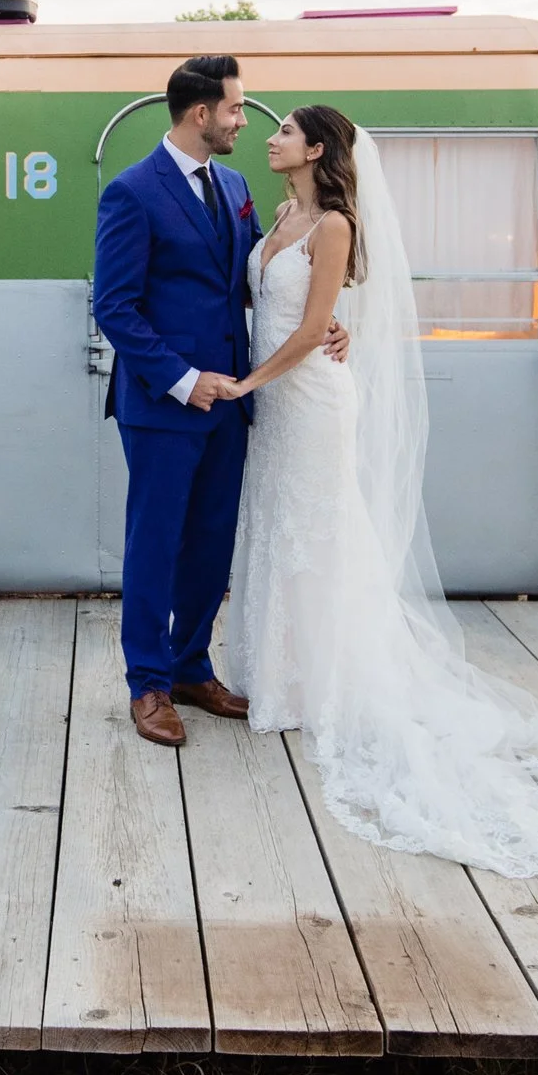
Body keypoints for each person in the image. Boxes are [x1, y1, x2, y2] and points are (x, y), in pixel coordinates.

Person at [213, 104, 538, 877]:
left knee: (321, 531)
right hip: (279, 403)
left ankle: (331, 683)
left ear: (315, 148)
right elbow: (281, 305)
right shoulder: (283, 212)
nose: (270, 138)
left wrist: (250, 379)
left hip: (310, 401)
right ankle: (281, 677)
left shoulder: (336, 226)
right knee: (277, 524)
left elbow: (316, 325)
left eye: (284, 130)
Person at [91, 55, 344, 748]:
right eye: (235, 108)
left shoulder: (233, 185)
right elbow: (113, 305)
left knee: (210, 541)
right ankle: (147, 682)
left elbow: (257, 280)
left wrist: (324, 320)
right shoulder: (131, 191)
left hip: (235, 399)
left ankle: (190, 667)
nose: (243, 120)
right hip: (163, 404)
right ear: (200, 114)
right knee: (156, 543)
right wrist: (181, 377)